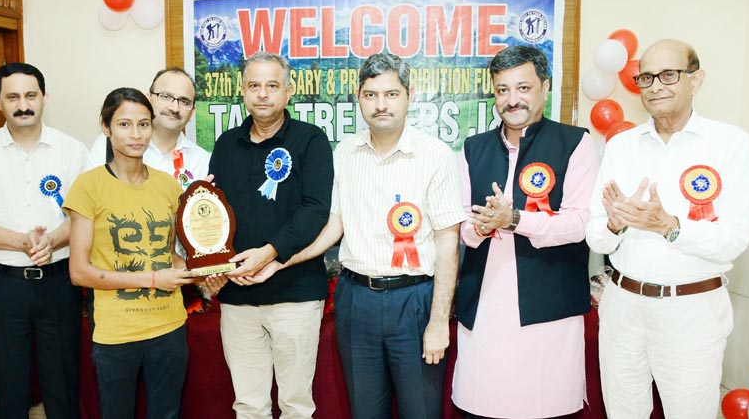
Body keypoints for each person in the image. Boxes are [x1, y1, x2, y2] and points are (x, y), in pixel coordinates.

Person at [257, 52, 465, 419]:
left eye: (391, 94)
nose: (380, 104)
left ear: (409, 95)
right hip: (356, 301)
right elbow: (333, 226)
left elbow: (449, 241)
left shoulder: (436, 156)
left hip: (415, 300)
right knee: (365, 411)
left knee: (421, 411)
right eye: (370, 95)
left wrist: (437, 322)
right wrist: (279, 261)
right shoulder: (345, 153)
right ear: (358, 97)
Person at [586, 39, 749, 419]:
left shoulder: (730, 144)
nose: (655, 86)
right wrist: (614, 224)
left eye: (669, 75)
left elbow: (734, 239)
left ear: (696, 81)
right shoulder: (622, 146)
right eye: (646, 77)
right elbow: (595, 235)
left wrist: (671, 227)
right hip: (623, 306)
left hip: (691, 311)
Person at [452, 45, 599, 418]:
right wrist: (481, 227)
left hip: (548, 307)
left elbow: (579, 223)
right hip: (484, 306)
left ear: (545, 88)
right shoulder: (473, 148)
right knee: (482, 404)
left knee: (543, 406)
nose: (512, 99)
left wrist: (515, 219)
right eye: (502, 90)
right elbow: (461, 227)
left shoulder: (575, 143)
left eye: (523, 88)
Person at [207, 52, 334, 418]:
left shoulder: (311, 140)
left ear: (289, 91)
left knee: (295, 405)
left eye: (272, 86)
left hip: (294, 296)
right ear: (242, 91)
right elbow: (215, 216)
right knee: (248, 405)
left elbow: (315, 211)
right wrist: (213, 261)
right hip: (237, 294)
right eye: (254, 85)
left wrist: (270, 253)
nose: (263, 94)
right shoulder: (225, 144)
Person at [0, 62, 88, 418]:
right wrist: (22, 242)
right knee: (8, 392)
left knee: (62, 391)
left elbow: (83, 215)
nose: (23, 104)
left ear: (44, 98)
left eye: (31, 95)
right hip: (3, 288)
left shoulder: (72, 150)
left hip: (59, 285)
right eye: (12, 97)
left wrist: (53, 242)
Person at [63, 88, 198, 418]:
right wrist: (153, 278)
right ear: (106, 128)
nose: (136, 134)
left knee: (168, 413)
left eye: (143, 124)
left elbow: (167, 253)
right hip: (117, 332)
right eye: (124, 124)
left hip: (169, 327)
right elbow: (79, 271)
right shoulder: (88, 185)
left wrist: (196, 265)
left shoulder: (168, 185)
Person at [89, 67, 210, 189]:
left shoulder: (202, 161)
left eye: (184, 101)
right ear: (148, 100)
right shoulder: (111, 143)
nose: (174, 108)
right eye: (166, 96)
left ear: (192, 113)